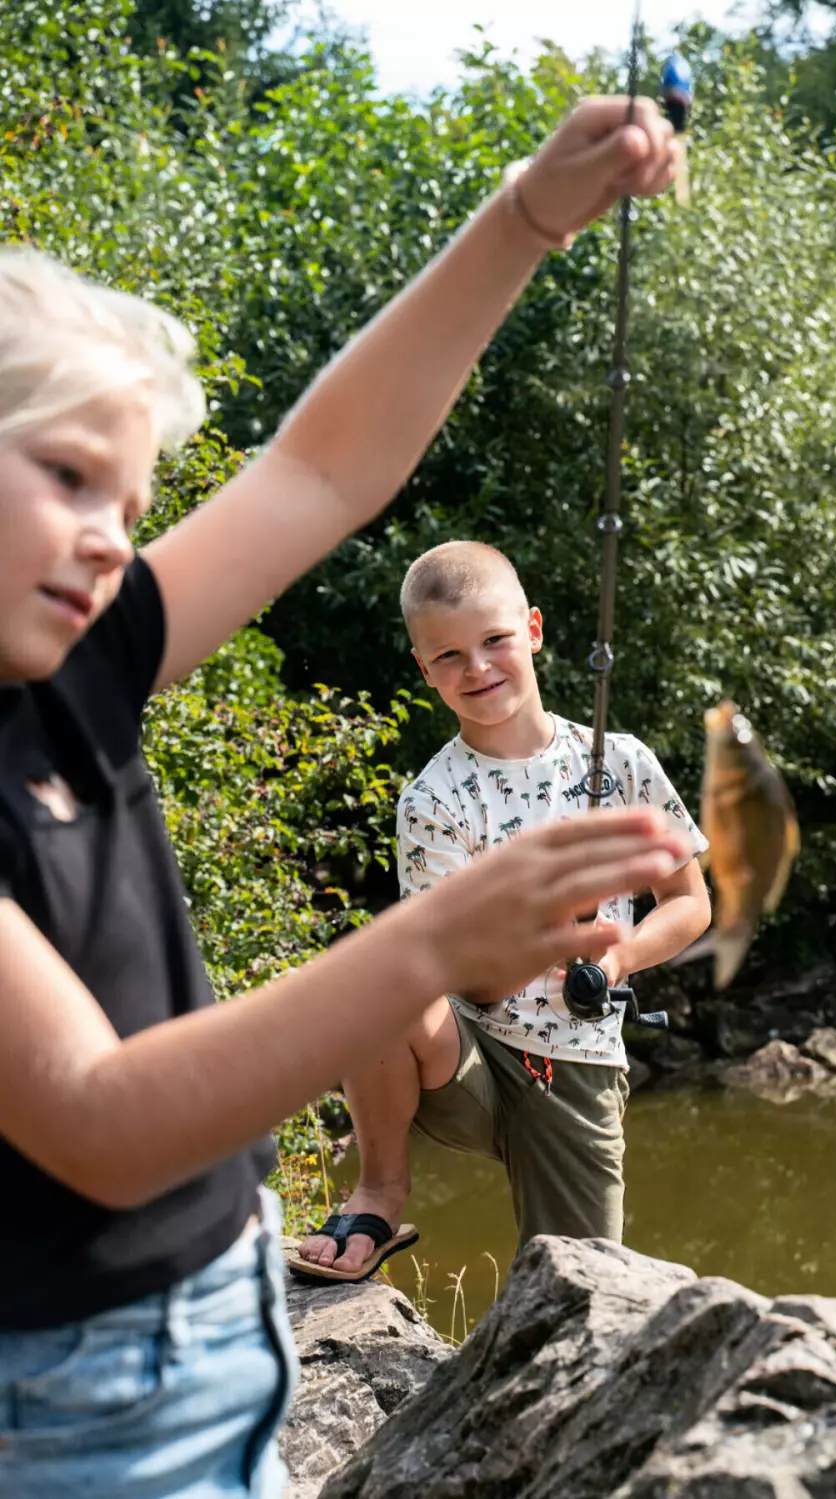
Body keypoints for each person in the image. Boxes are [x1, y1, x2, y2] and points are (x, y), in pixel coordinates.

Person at [0, 97, 689, 1498]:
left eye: (130, 508)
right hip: (73, 1404)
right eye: (69, 475)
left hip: (217, 1317)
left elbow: (323, 467)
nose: (108, 539)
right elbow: (99, 1117)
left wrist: (526, 219)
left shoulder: (68, 659)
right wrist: (434, 943)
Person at [293, 540, 710, 1284]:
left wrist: (615, 958)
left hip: (577, 1067)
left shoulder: (623, 762)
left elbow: (688, 902)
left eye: (495, 641)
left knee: (579, 1291)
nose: (478, 668)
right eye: (449, 655)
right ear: (425, 670)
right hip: (469, 1056)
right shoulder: (433, 799)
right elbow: (460, 978)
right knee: (375, 972)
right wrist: (543, 938)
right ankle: (380, 1191)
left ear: (535, 631)